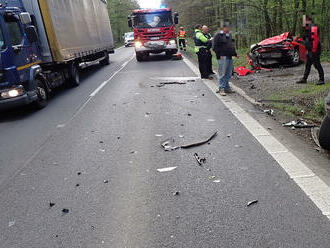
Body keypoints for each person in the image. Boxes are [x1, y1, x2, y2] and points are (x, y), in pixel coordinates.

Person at [296, 15, 325, 85]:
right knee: (308, 64)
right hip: (310, 49)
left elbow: (315, 39)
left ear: (308, 20)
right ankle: (304, 79)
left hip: (314, 49)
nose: (303, 22)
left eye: (304, 20)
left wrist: (314, 50)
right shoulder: (307, 27)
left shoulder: (313, 27)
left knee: (317, 64)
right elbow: (307, 38)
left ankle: (321, 79)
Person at [212, 23, 237, 96]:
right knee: (222, 73)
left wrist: (235, 54)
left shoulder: (228, 35)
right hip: (222, 57)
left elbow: (231, 46)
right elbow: (214, 46)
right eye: (228, 28)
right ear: (223, 28)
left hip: (229, 56)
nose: (229, 29)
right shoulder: (218, 35)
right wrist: (219, 55)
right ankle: (221, 88)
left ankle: (226, 87)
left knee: (228, 74)